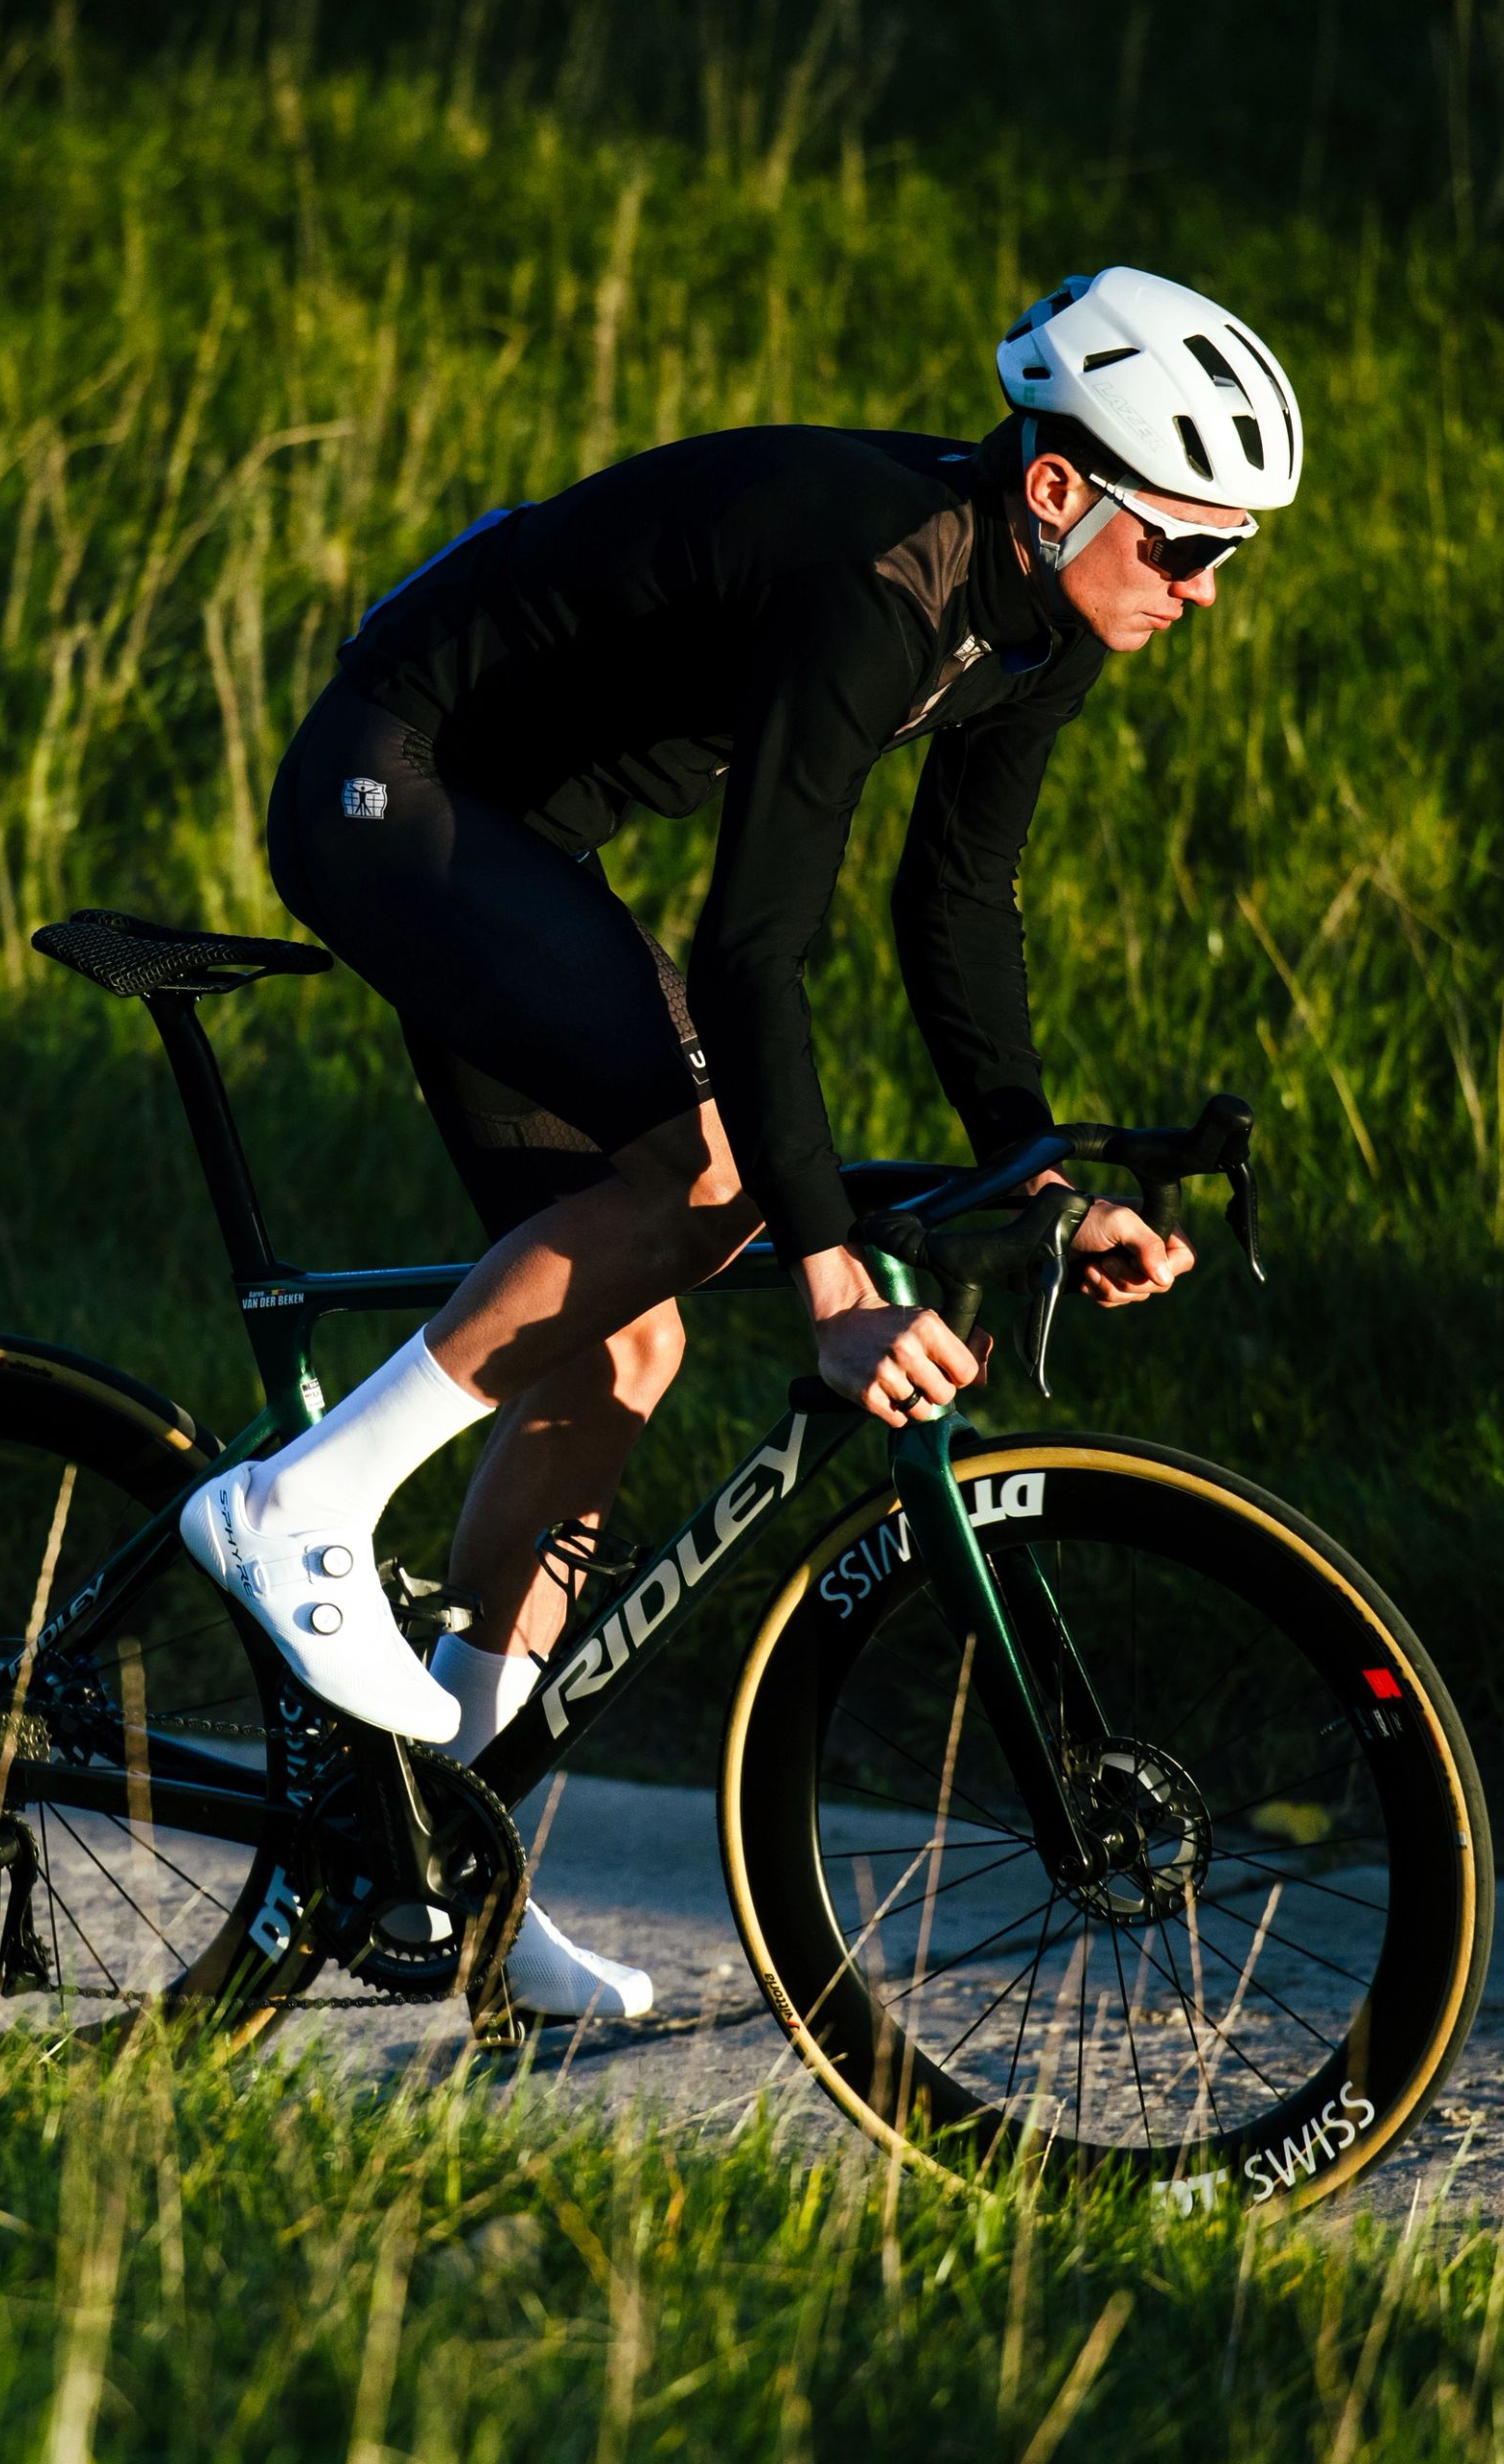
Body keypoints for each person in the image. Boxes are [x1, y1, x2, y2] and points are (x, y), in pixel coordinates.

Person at [177, 267, 1305, 2019]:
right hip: (397, 787)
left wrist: (1044, 1179)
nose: (1207, 590)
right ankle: (299, 1500)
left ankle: (446, 1863)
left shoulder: (1042, 625)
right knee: (703, 1189)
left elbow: (962, 909)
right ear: (1062, 487)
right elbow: (755, 949)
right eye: (1185, 545)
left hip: (515, 833)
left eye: (1236, 554)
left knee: (620, 1344)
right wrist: (841, 1286)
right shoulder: (878, 579)